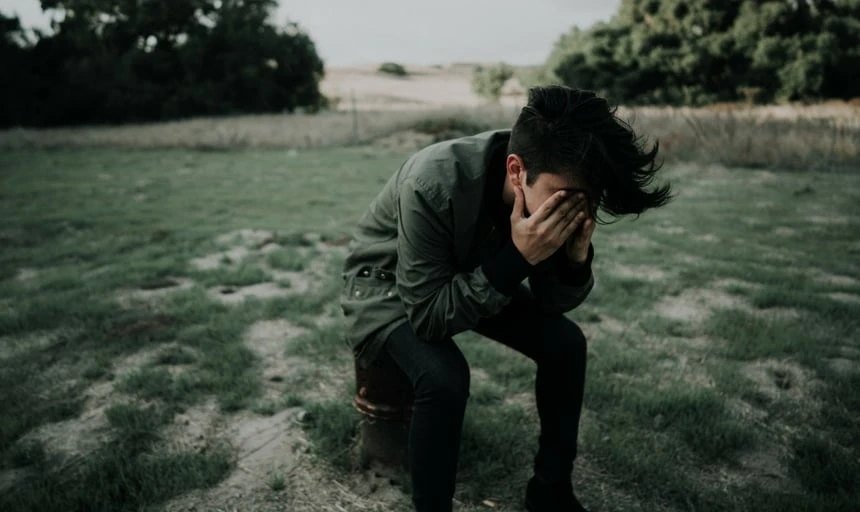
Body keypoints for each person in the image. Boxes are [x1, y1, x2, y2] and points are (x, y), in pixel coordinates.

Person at [339, 85, 672, 512]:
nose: (573, 210)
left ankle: (551, 491)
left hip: (470, 275)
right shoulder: (432, 181)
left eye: (587, 200)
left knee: (566, 344)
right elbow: (428, 317)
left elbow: (552, 304)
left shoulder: (553, 174)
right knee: (444, 377)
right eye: (565, 198)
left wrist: (573, 260)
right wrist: (518, 258)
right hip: (387, 286)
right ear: (517, 171)